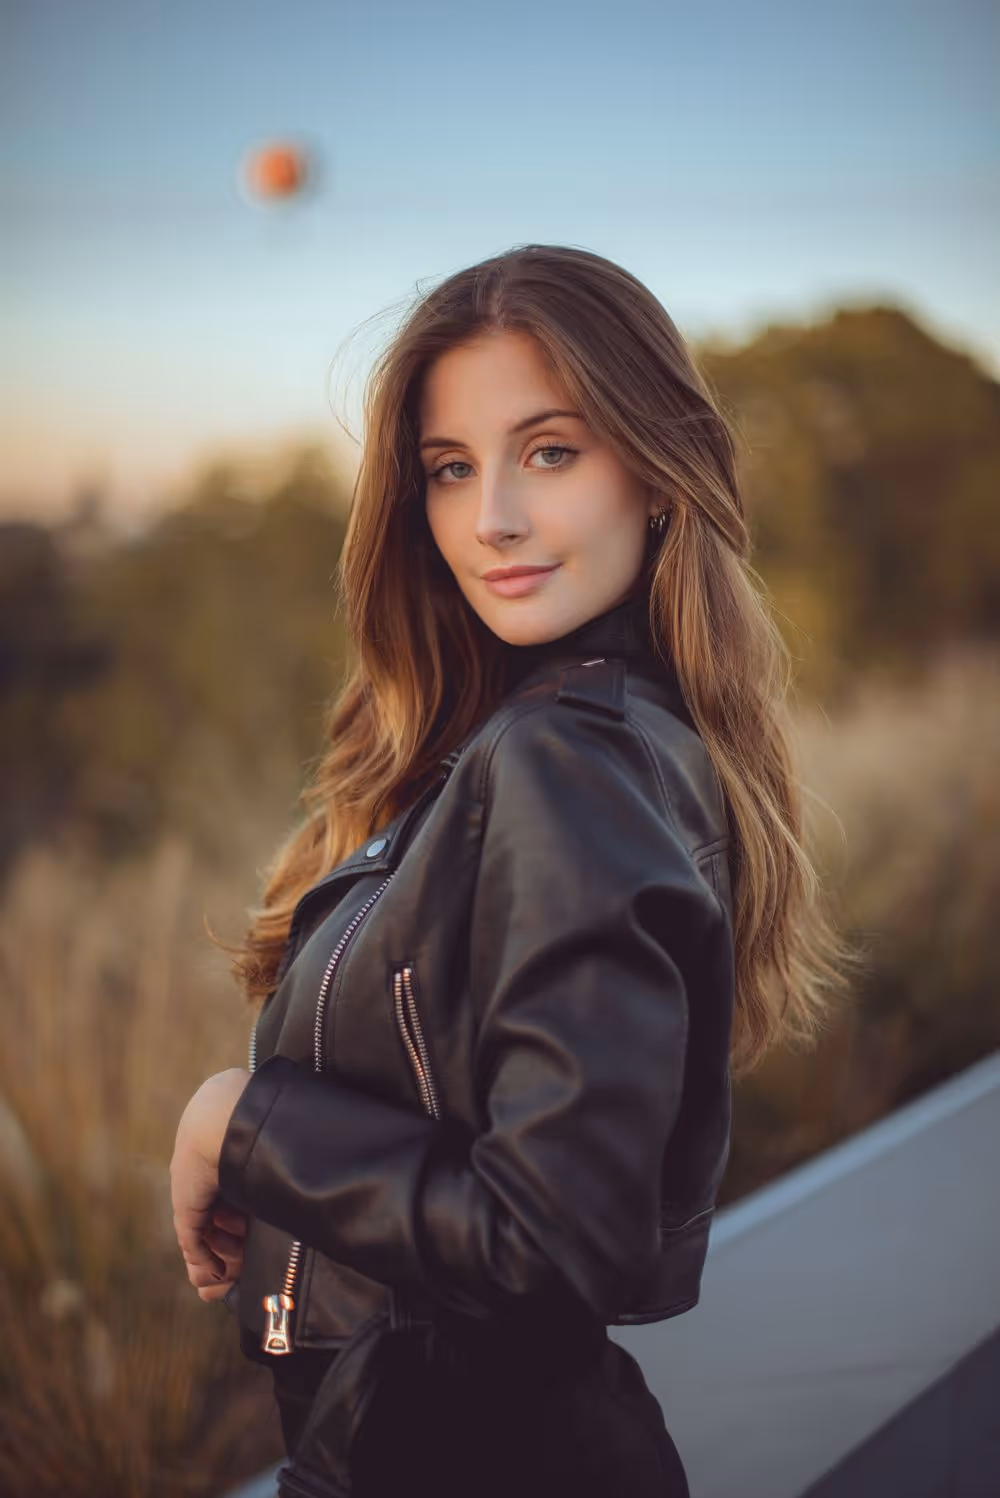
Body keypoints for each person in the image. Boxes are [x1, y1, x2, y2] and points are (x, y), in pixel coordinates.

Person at [170, 244, 855, 1496]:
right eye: (448, 468)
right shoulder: (572, 735)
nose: (489, 518)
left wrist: (243, 1119)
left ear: (654, 474)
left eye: (550, 451)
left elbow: (548, 1246)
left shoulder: (562, 761)